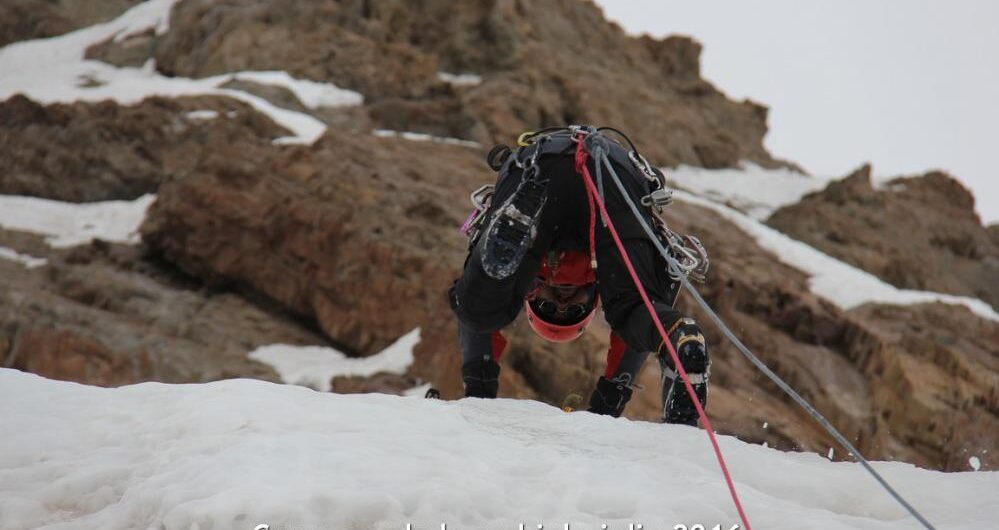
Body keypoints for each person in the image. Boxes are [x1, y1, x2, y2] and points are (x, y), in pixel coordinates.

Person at [448, 126, 710, 424]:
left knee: (484, 309)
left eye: (548, 308)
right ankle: (681, 339)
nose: (562, 301)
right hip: (611, 177)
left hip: (539, 174)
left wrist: (479, 390)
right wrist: (608, 404)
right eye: (573, 310)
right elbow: (633, 335)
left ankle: (517, 220)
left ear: (532, 296)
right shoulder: (603, 277)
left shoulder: (524, 272)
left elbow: (476, 328)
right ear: (591, 303)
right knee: (634, 308)